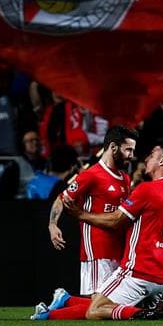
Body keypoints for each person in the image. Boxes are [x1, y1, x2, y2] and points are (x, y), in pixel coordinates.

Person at [33, 140, 163, 320]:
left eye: (151, 155)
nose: (145, 159)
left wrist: (80, 214)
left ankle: (50, 313)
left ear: (162, 160)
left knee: (96, 309)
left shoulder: (147, 189)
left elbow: (116, 220)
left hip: (138, 270)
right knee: (138, 303)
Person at [47, 126, 137, 298]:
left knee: (111, 305)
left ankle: (64, 301)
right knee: (99, 305)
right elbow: (62, 199)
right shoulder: (91, 175)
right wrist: (52, 224)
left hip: (119, 250)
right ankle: (63, 302)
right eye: (128, 150)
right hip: (97, 251)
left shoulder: (125, 178)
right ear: (113, 147)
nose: (131, 155)